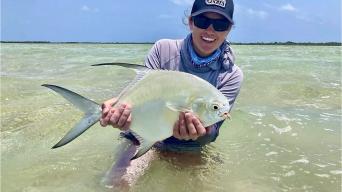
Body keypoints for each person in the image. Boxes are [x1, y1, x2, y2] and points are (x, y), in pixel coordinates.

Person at [101, 0, 242, 163]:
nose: (210, 30)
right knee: (118, 185)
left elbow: (212, 132)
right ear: (191, 22)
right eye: (203, 21)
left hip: (189, 148)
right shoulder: (163, 49)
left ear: (229, 29)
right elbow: (143, 93)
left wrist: (201, 133)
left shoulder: (232, 74)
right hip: (141, 138)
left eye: (220, 24)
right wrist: (117, 107)